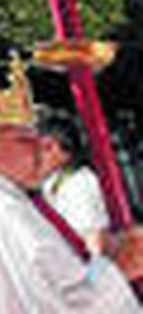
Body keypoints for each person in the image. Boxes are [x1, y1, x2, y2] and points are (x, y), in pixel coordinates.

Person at [0, 56, 143, 312]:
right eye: (23, 139)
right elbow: (66, 303)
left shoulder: (1, 200)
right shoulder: (1, 208)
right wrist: (120, 266)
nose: (40, 148)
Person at [40, 108, 108, 255]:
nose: (42, 154)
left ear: (66, 150)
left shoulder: (81, 182)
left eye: (48, 147)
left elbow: (93, 239)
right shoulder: (50, 180)